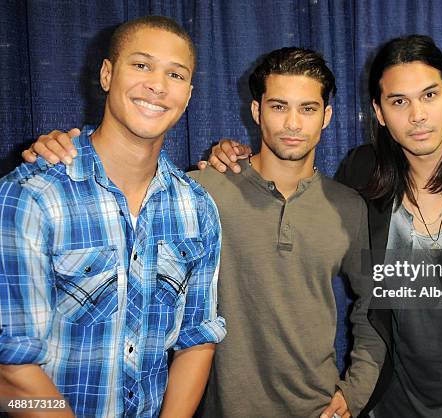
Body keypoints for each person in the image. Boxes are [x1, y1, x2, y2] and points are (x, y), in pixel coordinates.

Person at [172, 36, 442, 418]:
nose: (418, 115)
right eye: (399, 101)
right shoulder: (362, 172)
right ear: (379, 112)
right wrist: (225, 159)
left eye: (429, 95)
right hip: (398, 400)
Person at [22, 47, 385, 418]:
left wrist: (353, 393)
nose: (293, 123)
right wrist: (64, 153)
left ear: (327, 117)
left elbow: (376, 305)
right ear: (256, 111)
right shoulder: (199, 193)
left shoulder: (348, 207)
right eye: (278, 106)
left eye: (307, 109)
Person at [1, 16, 225, 418]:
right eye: (141, 65)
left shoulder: (198, 208)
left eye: (175, 74)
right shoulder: (31, 196)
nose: (157, 85)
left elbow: (198, 339)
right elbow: (8, 374)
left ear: (189, 95)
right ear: (107, 74)